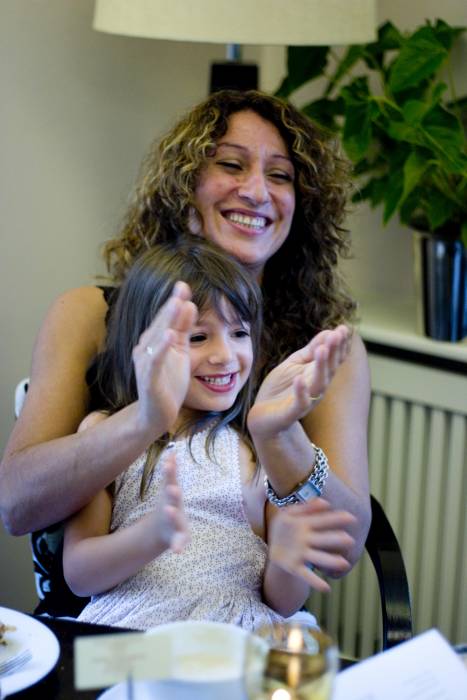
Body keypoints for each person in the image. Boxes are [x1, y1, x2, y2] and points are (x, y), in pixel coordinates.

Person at [0, 89, 371, 615]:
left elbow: (343, 549)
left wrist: (279, 433)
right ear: (184, 186)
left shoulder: (326, 350)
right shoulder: (90, 314)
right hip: (109, 628)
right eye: (231, 164)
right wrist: (147, 419)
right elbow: (16, 506)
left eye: (281, 175)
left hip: (244, 629)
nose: (257, 191)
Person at [63, 238, 355, 630]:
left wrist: (288, 560)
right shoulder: (105, 432)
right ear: (146, 345)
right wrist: (152, 536)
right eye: (198, 337)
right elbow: (79, 576)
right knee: (89, 683)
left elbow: (283, 603)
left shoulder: (258, 446)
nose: (225, 355)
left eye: (239, 333)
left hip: (239, 634)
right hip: (132, 632)